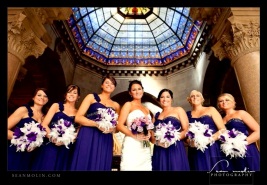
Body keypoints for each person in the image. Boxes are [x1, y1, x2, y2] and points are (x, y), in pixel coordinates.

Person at [70, 74, 120, 171]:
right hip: (88, 134)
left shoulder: (116, 105)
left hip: (105, 138)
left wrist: (112, 128)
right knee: (84, 160)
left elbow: (116, 127)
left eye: (112, 83)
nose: (109, 85)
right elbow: (78, 118)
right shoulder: (91, 97)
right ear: (102, 85)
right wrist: (97, 124)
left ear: (114, 87)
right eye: (107, 82)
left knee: (101, 163)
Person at [31, 84, 81, 171]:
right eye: (69, 92)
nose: (71, 94)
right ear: (65, 94)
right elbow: (44, 124)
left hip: (65, 147)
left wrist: (66, 140)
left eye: (75, 93)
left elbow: (77, 133)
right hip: (50, 144)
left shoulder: (78, 113)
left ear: (78, 97)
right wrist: (53, 138)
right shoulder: (56, 106)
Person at [186, 90, 228, 171]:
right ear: (189, 100)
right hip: (196, 149)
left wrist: (209, 139)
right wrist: (190, 143)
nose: (195, 97)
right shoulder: (186, 114)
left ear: (202, 99)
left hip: (212, 147)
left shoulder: (211, 109)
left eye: (198, 95)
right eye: (192, 96)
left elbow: (222, 129)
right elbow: (186, 133)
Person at [8, 87, 49, 170]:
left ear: (48, 99)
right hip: (14, 150)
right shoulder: (23, 110)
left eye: (45, 96)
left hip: (30, 155)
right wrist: (23, 139)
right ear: (33, 97)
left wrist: (35, 145)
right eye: (39, 95)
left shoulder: (46, 117)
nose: (42, 98)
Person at [217, 93, 260, 171]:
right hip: (230, 153)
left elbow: (258, 131)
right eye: (221, 101)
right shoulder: (220, 120)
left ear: (233, 102)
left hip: (246, 148)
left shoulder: (241, 113)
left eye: (227, 100)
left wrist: (242, 143)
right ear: (219, 105)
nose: (224, 102)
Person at [116, 80, 153, 171]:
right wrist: (135, 136)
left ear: (142, 91)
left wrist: (149, 133)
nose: (137, 92)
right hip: (132, 143)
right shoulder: (128, 105)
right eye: (134, 90)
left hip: (145, 145)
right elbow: (119, 125)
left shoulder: (147, 109)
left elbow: (150, 128)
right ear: (130, 93)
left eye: (139, 89)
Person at [150, 89, 190, 171]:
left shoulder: (178, 110)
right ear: (159, 100)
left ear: (171, 99)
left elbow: (186, 129)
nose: (165, 99)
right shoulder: (156, 116)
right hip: (160, 149)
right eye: (162, 97)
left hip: (175, 147)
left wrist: (173, 139)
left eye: (167, 97)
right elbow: (151, 135)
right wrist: (158, 143)